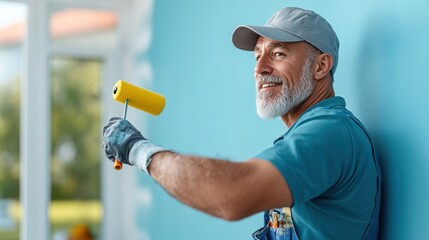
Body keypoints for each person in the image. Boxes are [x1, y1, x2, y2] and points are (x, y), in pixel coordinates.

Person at [103, 7, 381, 240]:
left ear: (321, 66)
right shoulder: (310, 130)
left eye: (279, 53)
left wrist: (138, 150)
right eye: (258, 55)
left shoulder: (328, 132)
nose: (260, 69)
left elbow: (232, 195)